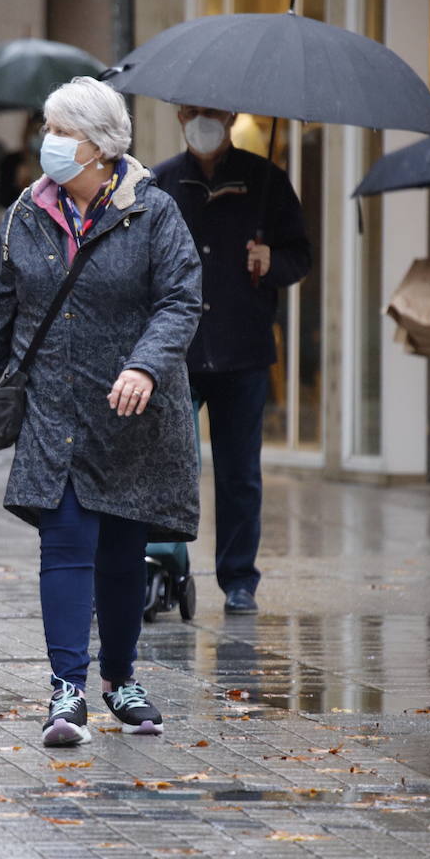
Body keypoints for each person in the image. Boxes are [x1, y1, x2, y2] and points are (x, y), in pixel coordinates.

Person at [0, 77, 201, 747]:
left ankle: (120, 680)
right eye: (46, 130)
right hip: (54, 410)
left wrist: (144, 364)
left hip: (130, 413)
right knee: (66, 542)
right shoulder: (25, 215)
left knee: (121, 551)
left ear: (102, 146)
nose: (47, 143)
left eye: (62, 132)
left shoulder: (154, 212)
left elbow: (180, 300)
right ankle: (67, 692)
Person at [153, 106, 312, 616]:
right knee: (170, 467)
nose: (204, 119)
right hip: (177, 352)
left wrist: (272, 263)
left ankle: (239, 579)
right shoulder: (160, 183)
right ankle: (165, 568)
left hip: (242, 349)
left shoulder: (266, 181)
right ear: (179, 114)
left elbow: (300, 255)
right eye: (194, 110)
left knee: (240, 472)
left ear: (232, 115)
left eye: (214, 111)